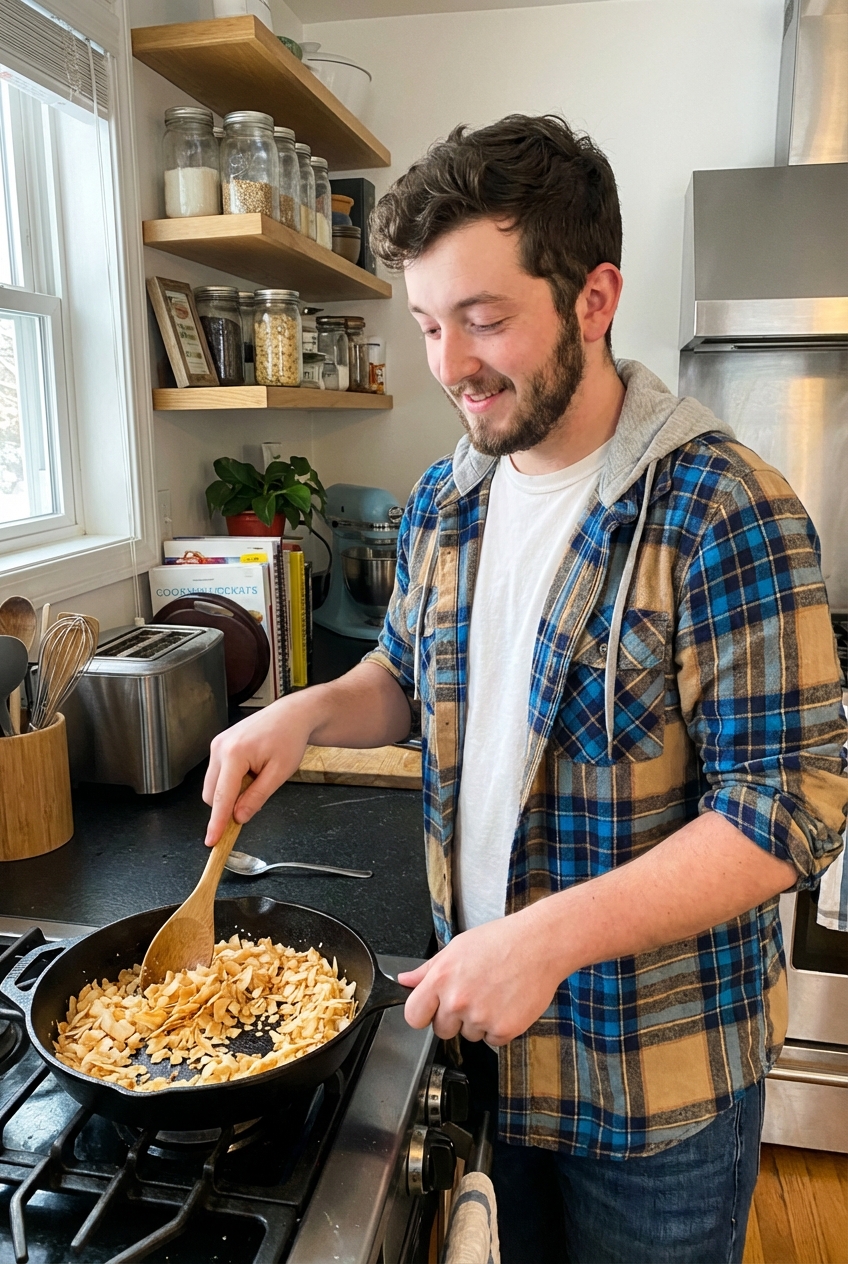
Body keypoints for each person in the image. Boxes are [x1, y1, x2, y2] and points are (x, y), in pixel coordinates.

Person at [202, 115, 847, 1263]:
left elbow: (788, 806)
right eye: (428, 323)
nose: (449, 365)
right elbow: (403, 673)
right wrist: (305, 711)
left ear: (593, 299)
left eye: (485, 319)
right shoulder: (452, 490)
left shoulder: (718, 510)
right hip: (481, 1043)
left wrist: (544, 938)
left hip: (650, 1088)